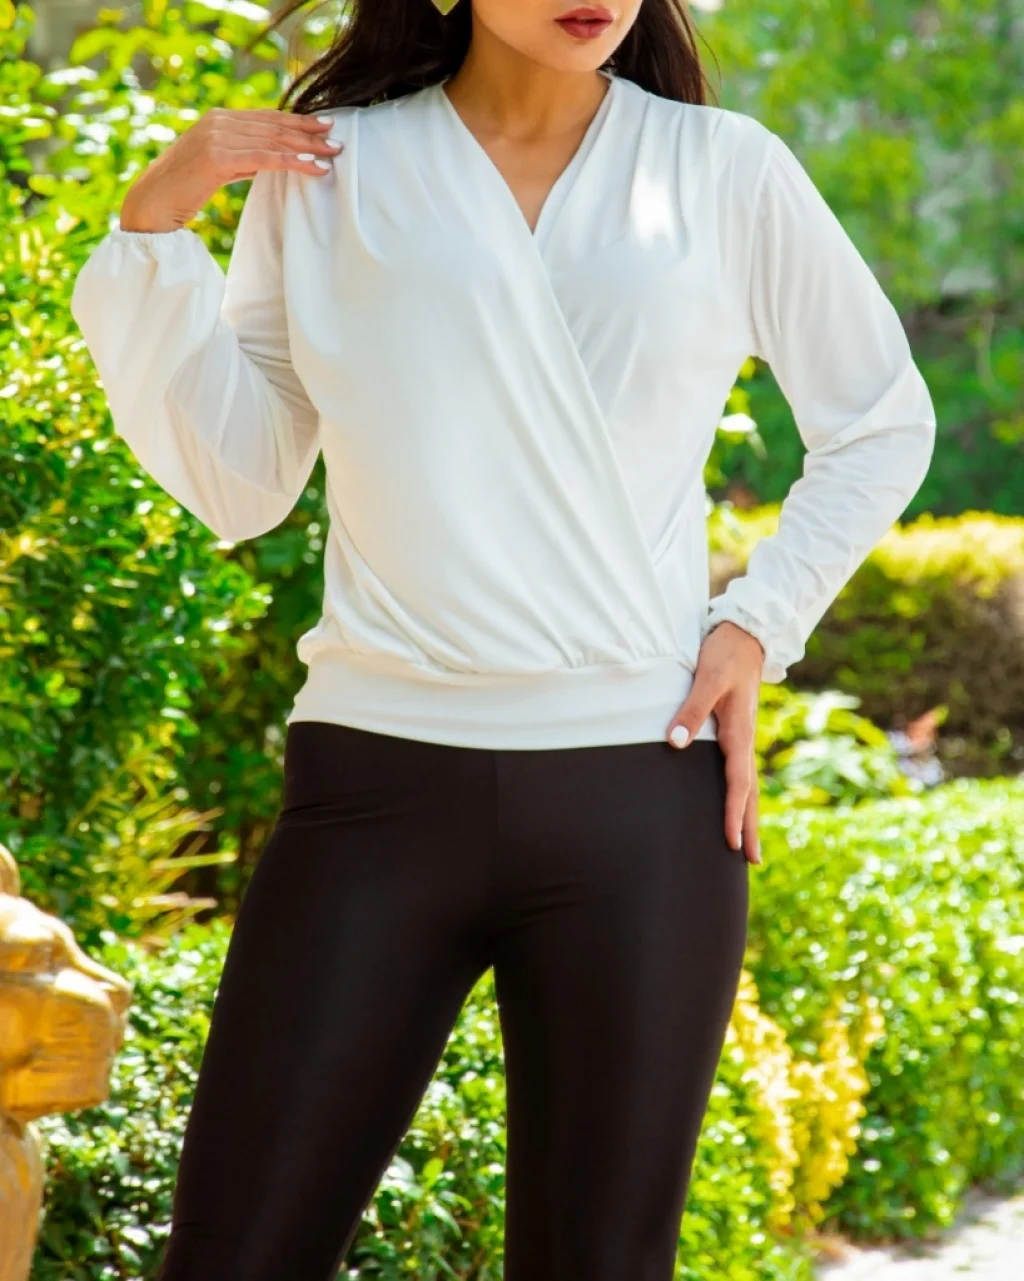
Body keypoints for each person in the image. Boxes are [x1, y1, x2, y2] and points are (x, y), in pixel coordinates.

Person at [69, 0, 937, 1277]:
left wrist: (756, 621)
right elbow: (242, 478)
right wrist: (153, 230)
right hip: (372, 788)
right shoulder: (333, 169)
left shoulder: (723, 169)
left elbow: (878, 422)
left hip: (640, 798)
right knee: (235, 1255)